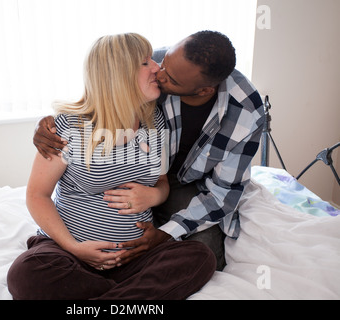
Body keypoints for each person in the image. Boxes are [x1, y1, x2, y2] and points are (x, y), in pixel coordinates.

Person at [34, 31, 265, 272]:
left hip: (189, 184)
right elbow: (104, 91)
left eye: (171, 80)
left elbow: (222, 194)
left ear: (204, 91)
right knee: (31, 273)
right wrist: (51, 124)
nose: (158, 72)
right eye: (161, 64)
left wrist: (163, 232)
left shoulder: (246, 113)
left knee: (206, 257)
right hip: (144, 172)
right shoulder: (155, 64)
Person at [7, 33, 216, 300]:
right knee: (27, 273)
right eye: (145, 63)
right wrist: (74, 247)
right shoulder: (68, 126)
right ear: (118, 74)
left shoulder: (155, 122)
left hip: (134, 259)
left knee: (199, 257)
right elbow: (37, 195)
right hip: (70, 253)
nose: (157, 67)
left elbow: (161, 181)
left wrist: (155, 195)